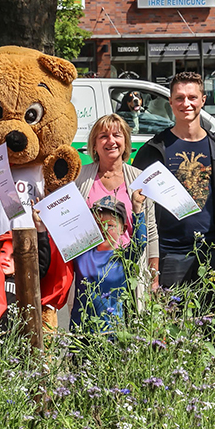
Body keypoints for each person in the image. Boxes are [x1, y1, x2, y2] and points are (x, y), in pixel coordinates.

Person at [132, 71, 215, 317]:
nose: (187, 104)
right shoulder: (154, 149)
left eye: (192, 97)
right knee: (168, 332)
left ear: (203, 100)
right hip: (168, 254)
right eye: (180, 98)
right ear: (170, 102)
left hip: (210, 251)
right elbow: (135, 197)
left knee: (208, 327)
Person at [75, 114, 158, 306]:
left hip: (129, 272)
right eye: (103, 136)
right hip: (90, 275)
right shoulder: (80, 179)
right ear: (94, 145)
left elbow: (151, 233)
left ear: (125, 142)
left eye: (117, 135)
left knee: (129, 329)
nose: (111, 141)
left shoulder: (140, 180)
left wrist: (154, 279)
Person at [70, 194, 147, 333]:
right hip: (81, 331)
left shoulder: (123, 258)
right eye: (98, 225)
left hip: (111, 332)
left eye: (110, 225)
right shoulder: (81, 254)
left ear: (123, 229)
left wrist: (137, 210)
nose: (104, 229)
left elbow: (140, 243)